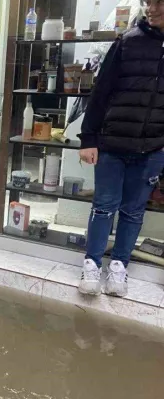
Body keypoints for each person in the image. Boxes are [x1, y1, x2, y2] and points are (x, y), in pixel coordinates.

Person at [77, 3, 164, 297]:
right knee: (104, 206)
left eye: (160, 2)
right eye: (149, 1)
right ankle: (91, 264)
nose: (152, 8)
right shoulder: (127, 42)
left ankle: (119, 266)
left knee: (133, 212)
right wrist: (89, 137)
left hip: (152, 147)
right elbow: (101, 91)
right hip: (112, 143)